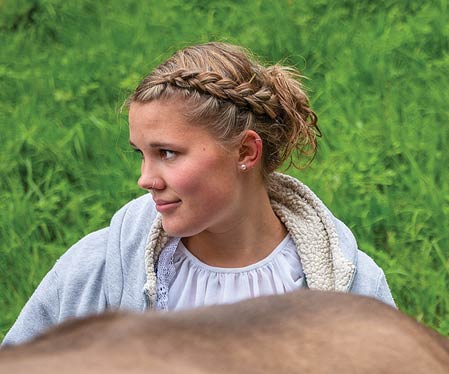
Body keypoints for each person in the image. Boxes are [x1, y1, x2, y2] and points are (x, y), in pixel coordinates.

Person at [3, 42, 394, 346]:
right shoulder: (96, 272)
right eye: (141, 154)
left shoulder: (354, 288)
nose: (145, 179)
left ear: (246, 151)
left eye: (167, 153)